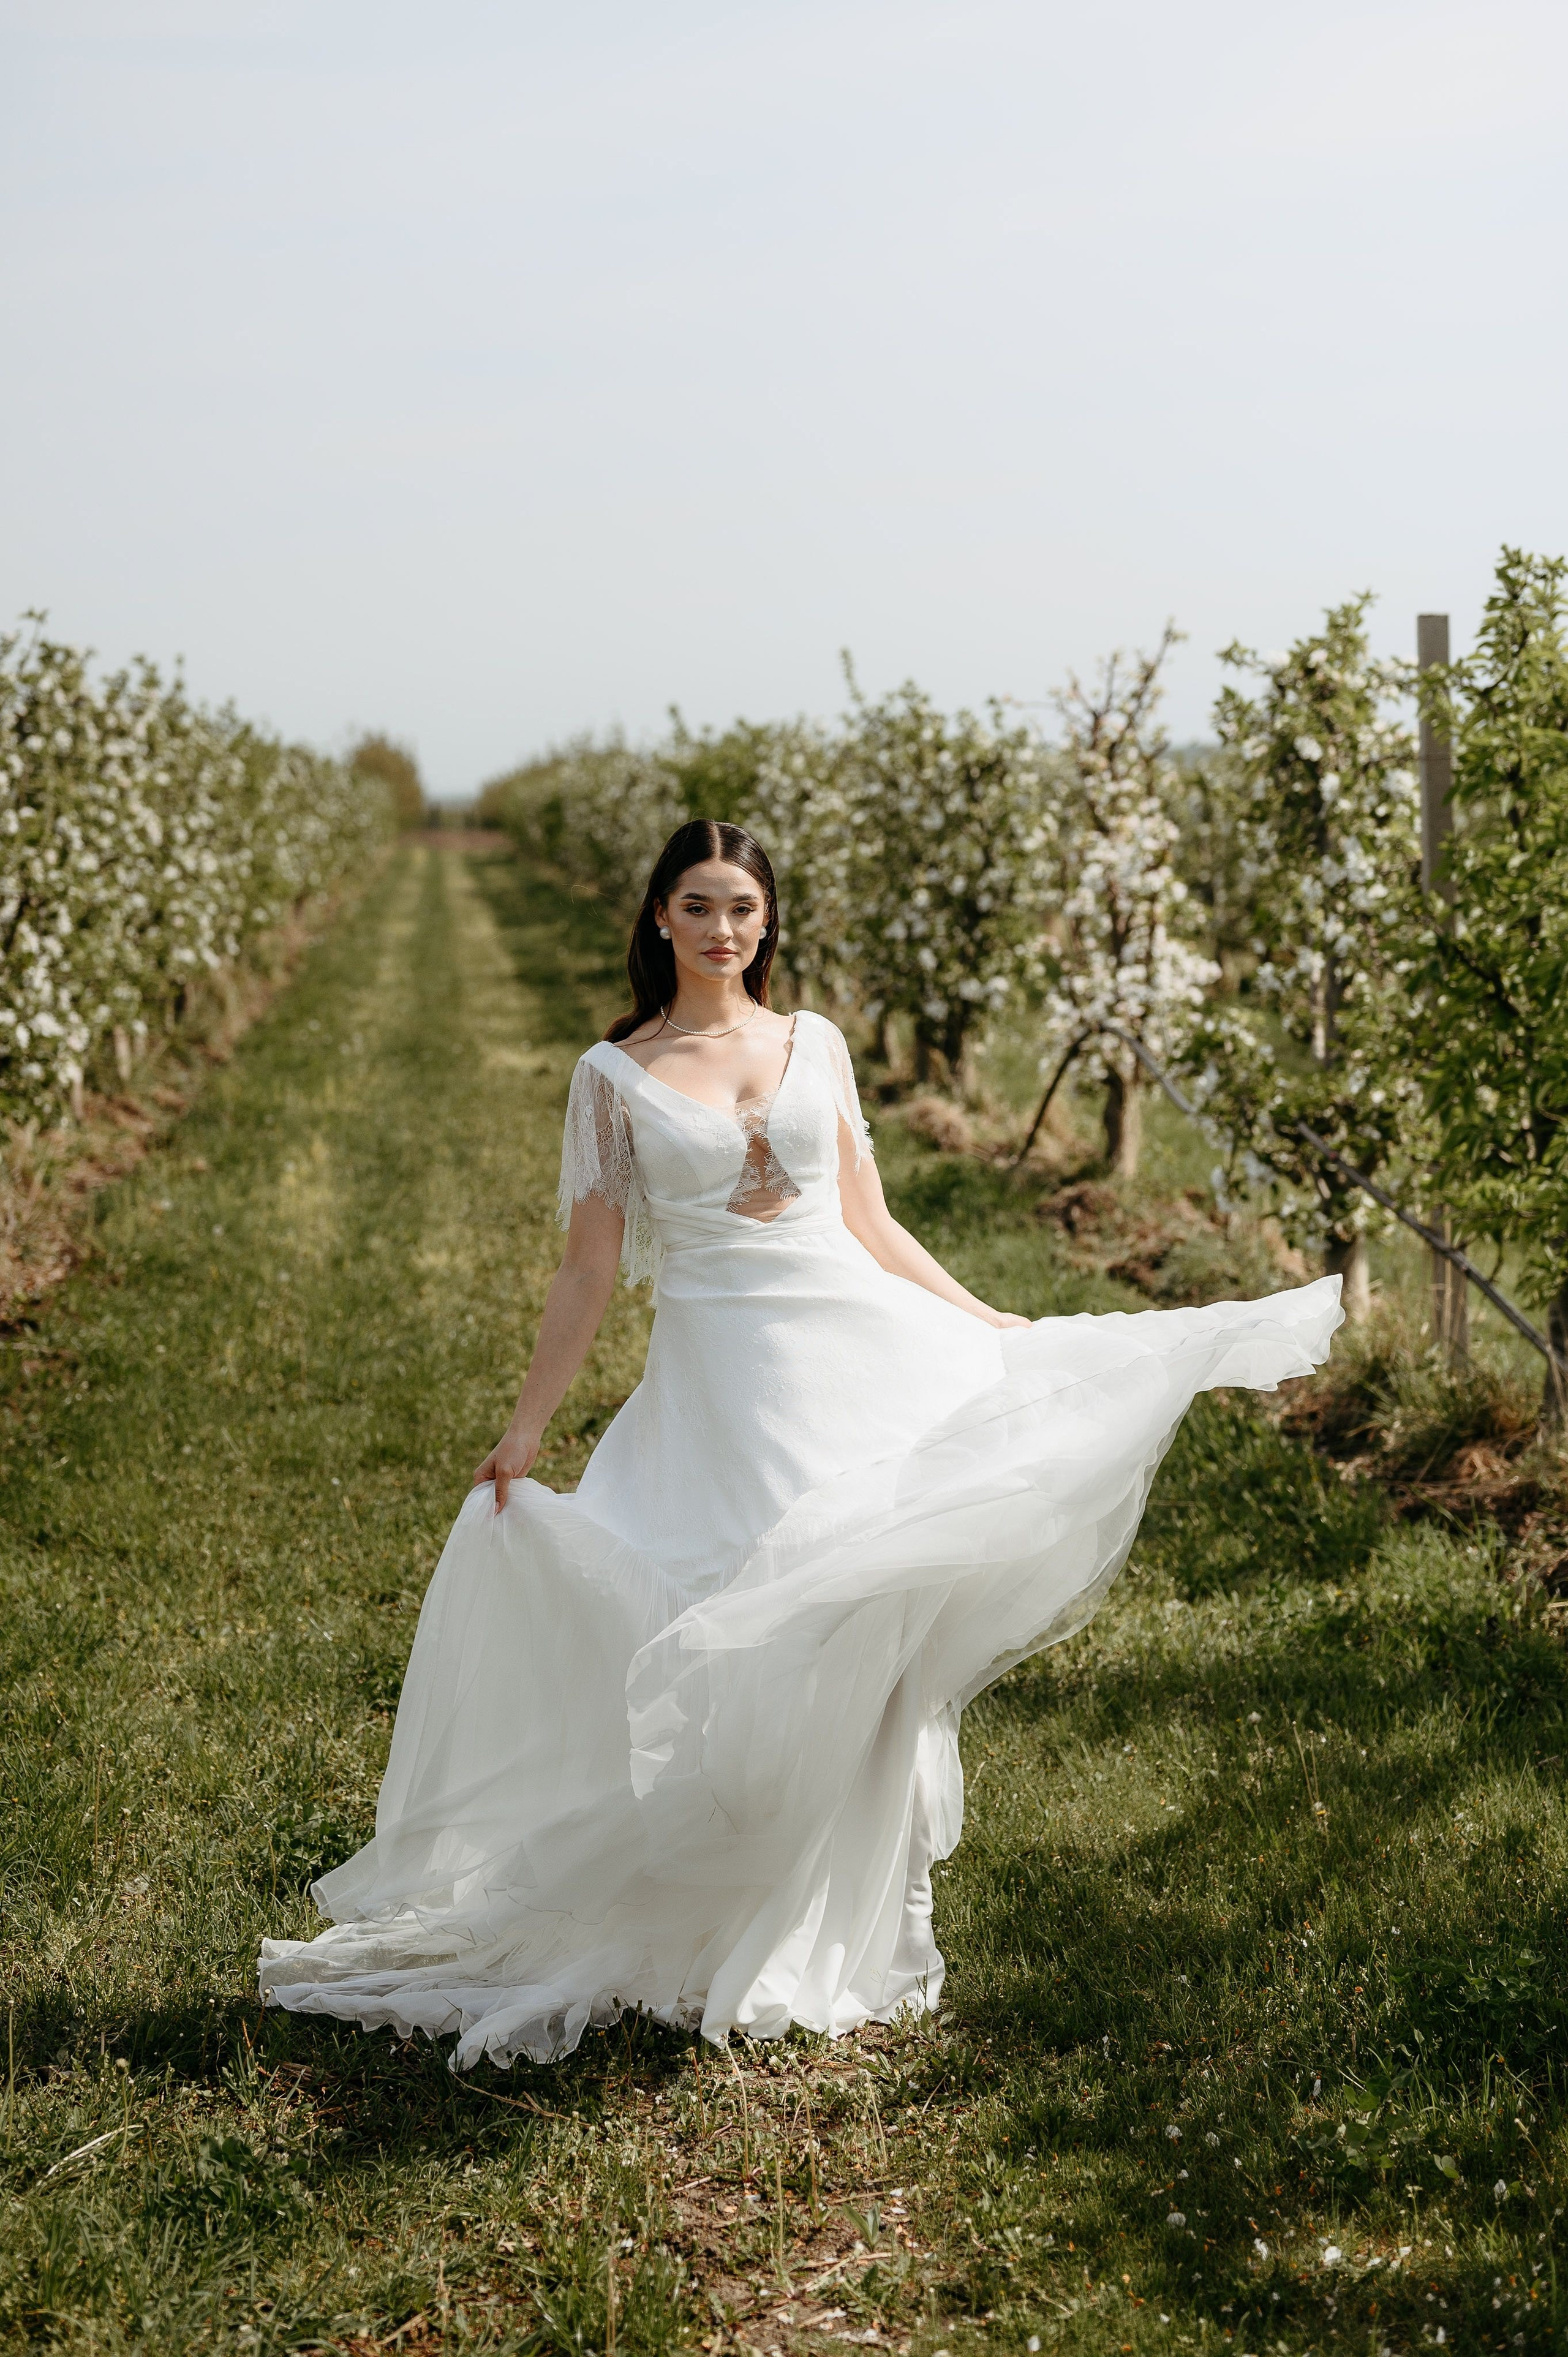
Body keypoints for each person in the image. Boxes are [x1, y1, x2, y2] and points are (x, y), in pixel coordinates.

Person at [260, 820, 1341, 2067]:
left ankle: (861, 1919)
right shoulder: (611, 1077)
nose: (723, 928)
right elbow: (586, 1271)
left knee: (876, 1614)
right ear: (659, 918)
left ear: (765, 922)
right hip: (725, 1376)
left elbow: (869, 1220)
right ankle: (730, 1894)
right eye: (698, 905)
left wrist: (985, 1319)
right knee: (757, 1611)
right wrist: (524, 1427)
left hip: (856, 1342)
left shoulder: (813, 1043)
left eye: (742, 907)